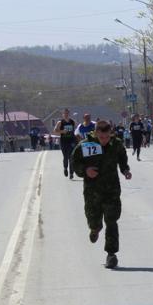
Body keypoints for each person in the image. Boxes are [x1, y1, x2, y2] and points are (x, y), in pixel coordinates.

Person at [71, 119, 132, 269]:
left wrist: (125, 170)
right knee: (93, 219)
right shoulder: (86, 145)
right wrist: (85, 171)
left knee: (112, 221)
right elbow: (74, 161)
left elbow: (122, 158)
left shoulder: (116, 144)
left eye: (107, 137)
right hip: (93, 191)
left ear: (110, 134)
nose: (104, 140)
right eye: (101, 137)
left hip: (112, 189)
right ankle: (95, 229)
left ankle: (111, 254)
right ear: (96, 133)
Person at [54, 109, 78, 178]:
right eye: (65, 113)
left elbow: (76, 131)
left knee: (71, 157)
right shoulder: (60, 122)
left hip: (71, 141)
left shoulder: (72, 121)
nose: (66, 115)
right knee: (65, 157)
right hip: (64, 141)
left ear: (69, 114)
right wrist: (62, 131)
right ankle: (65, 168)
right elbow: (55, 130)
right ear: (63, 114)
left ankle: (71, 173)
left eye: (67, 113)